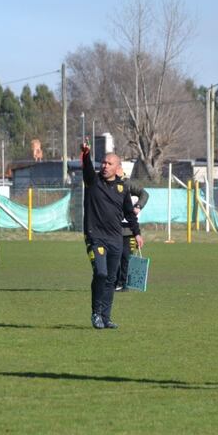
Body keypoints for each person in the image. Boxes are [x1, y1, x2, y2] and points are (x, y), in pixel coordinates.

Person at [81, 141, 143, 329]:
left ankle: (106, 317)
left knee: (111, 279)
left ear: (118, 168)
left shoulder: (122, 188)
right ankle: (96, 313)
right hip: (95, 237)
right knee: (100, 273)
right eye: (103, 163)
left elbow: (129, 213)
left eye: (109, 164)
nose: (105, 166)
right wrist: (85, 154)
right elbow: (87, 169)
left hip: (115, 238)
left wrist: (137, 233)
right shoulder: (93, 182)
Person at [114, 164, 149, 292]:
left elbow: (144, 194)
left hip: (128, 228)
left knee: (126, 257)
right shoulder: (107, 184)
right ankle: (115, 282)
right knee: (114, 257)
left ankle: (123, 283)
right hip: (113, 228)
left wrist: (138, 206)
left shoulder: (127, 184)